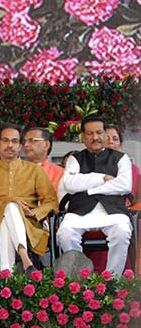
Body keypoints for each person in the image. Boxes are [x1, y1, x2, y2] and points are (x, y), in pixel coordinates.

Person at [0, 123, 57, 273]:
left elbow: (51, 201)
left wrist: (35, 212)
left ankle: (7, 275)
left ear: (20, 146)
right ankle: (24, 256)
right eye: (5, 141)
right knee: (10, 206)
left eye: (14, 141)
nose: (10, 145)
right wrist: (5, 204)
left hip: (29, 222)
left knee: (7, 221)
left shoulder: (34, 170)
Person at [57, 116, 133, 276]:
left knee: (122, 230)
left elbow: (124, 185)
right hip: (80, 210)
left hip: (113, 210)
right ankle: (80, 279)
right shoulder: (75, 159)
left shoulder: (121, 158)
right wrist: (101, 179)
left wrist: (89, 189)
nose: (95, 137)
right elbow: (70, 184)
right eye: (90, 133)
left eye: (99, 132)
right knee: (66, 233)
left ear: (106, 135)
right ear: (83, 137)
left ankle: (112, 279)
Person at [23, 127, 64, 193]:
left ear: (46, 145)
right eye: (25, 141)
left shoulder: (60, 173)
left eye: (31, 140)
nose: (26, 145)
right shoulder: (15, 169)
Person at [105, 124, 139, 198]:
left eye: (115, 139)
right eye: (106, 138)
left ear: (120, 146)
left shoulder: (132, 169)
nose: (110, 141)